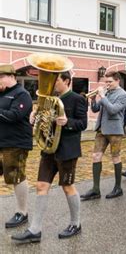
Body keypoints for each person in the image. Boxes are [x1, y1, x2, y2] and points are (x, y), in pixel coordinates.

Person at [12, 72, 87, 243]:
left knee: (67, 187)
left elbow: (82, 123)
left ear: (66, 81)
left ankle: (76, 224)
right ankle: (35, 230)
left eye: (57, 80)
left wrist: (67, 122)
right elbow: (42, 121)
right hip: (48, 148)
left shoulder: (77, 99)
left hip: (67, 150)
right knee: (41, 186)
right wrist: (34, 118)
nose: (53, 84)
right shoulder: (49, 99)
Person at [81, 71, 126, 201]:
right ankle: (95, 189)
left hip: (115, 130)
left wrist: (102, 96)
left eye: (110, 82)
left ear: (117, 80)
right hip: (101, 129)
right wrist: (92, 99)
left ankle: (118, 187)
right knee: (96, 156)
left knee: (115, 157)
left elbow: (113, 110)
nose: (107, 84)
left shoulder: (123, 95)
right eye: (106, 82)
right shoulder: (106, 93)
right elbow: (96, 109)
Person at [0, 64, 33, 229]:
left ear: (10, 76)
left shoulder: (22, 94)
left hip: (16, 143)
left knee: (16, 176)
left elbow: (15, 116)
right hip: (2, 141)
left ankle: (22, 212)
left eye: (0, 77)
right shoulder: (3, 94)